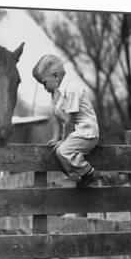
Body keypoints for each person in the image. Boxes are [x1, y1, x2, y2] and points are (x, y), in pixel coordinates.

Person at [32, 54, 102, 188]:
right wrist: (55, 138)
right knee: (57, 152)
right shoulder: (57, 93)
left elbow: (69, 120)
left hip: (87, 133)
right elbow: (56, 117)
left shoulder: (72, 89)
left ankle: (89, 173)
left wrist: (63, 140)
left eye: (44, 83)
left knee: (62, 151)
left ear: (56, 76)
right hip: (76, 135)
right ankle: (79, 177)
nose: (44, 88)